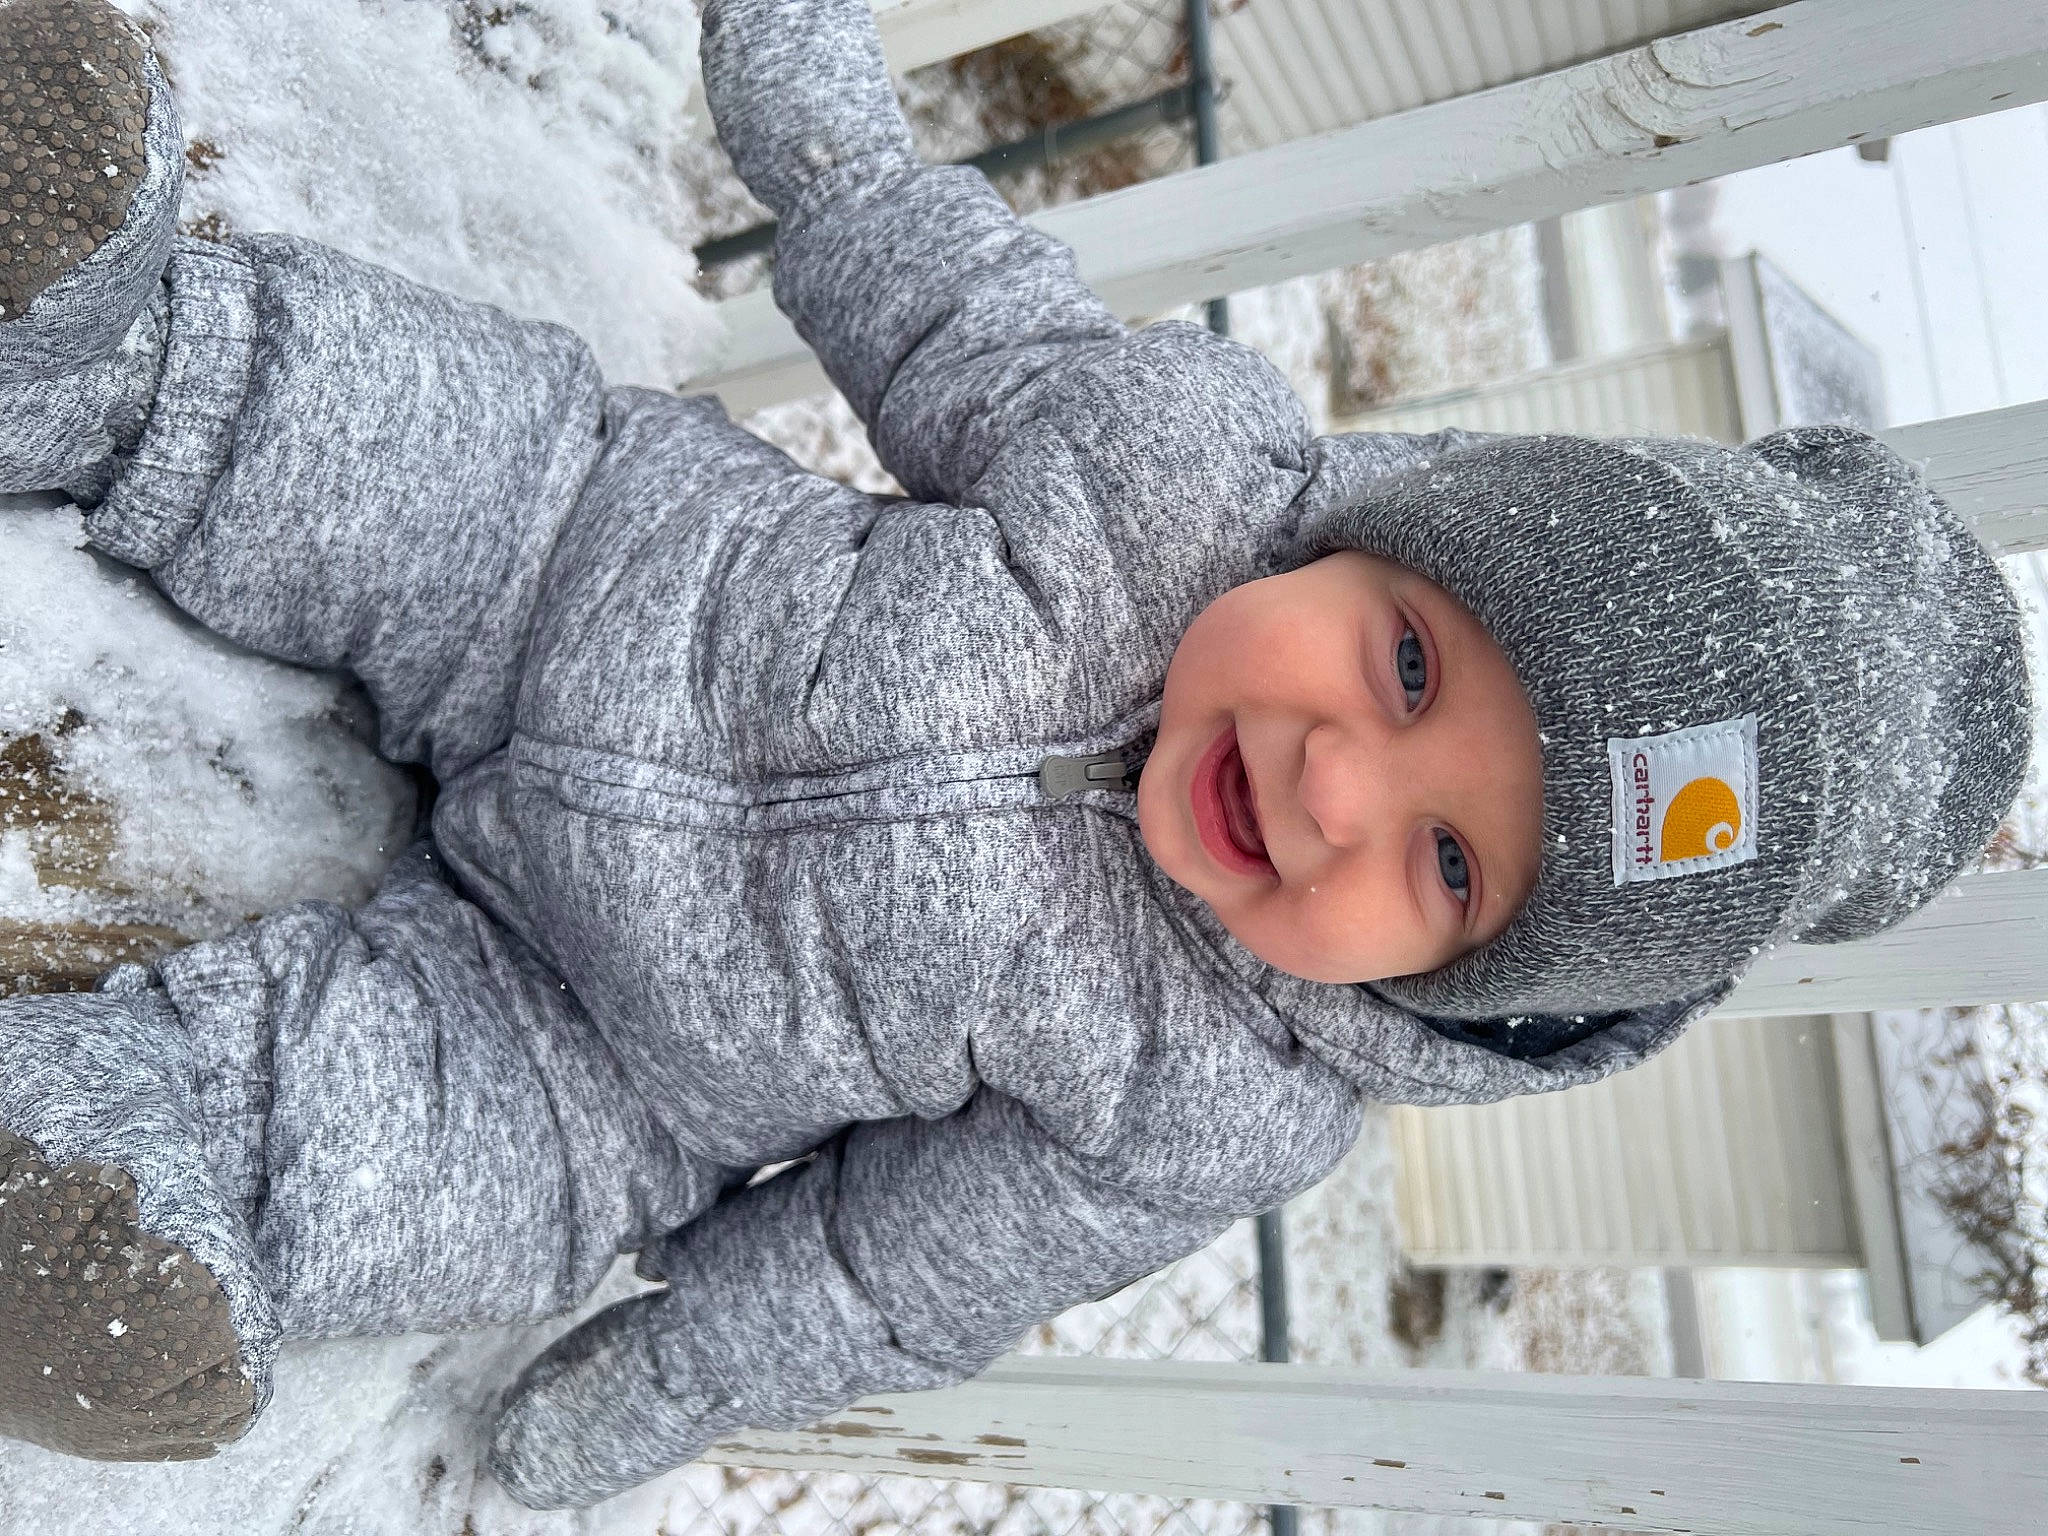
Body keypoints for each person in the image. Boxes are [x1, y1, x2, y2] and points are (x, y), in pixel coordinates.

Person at [0, 0, 2031, 1509]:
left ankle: (101, 1199)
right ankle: (101, 345)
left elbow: (884, 1274)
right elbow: (959, 314)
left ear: (1463, 991)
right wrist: (830, 145)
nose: (1336, 787)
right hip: (574, 569)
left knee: (368, 1155)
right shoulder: (1163, 469)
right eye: (1410, 668)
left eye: (1443, 870)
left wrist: (650, 1388)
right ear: (1385, 535)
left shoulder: (1216, 1112)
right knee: (401, 439)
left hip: (591, 1061)